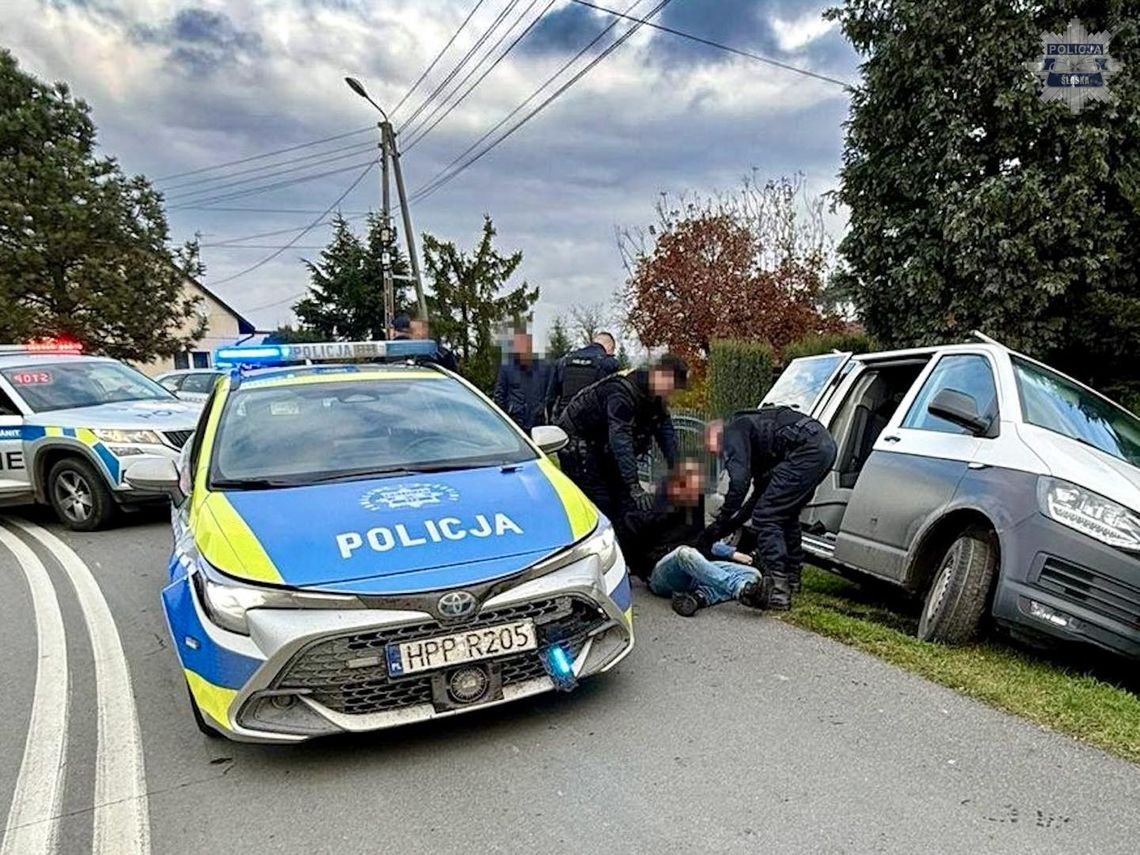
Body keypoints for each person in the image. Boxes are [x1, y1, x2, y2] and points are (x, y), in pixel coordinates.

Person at [700, 407, 837, 611]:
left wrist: (723, 517)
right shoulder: (757, 440)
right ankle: (791, 579)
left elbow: (739, 483)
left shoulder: (732, 433)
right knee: (785, 514)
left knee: (766, 517)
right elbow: (757, 496)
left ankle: (778, 591)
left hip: (808, 450)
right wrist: (722, 530)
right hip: (824, 447)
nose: (718, 455)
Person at [620, 459, 768, 617]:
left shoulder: (694, 509)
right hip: (661, 574)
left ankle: (698, 598)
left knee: (752, 574)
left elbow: (702, 542)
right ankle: (738, 590)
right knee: (684, 553)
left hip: (694, 570)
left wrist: (730, 554)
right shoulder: (649, 508)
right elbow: (630, 541)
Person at [556, 354, 686, 521]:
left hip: (602, 444)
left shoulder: (655, 398)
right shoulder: (621, 392)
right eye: (672, 388)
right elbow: (621, 438)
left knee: (625, 503)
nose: (671, 394)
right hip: (578, 441)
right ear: (662, 375)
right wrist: (634, 485)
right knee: (600, 503)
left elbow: (666, 434)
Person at [545, 331, 620, 422]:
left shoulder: (564, 361)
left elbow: (550, 398)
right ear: (609, 347)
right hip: (593, 423)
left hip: (565, 420)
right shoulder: (608, 363)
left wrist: (550, 421)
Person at [493, 329, 552, 431]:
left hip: (537, 425)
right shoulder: (507, 367)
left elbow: (550, 394)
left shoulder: (543, 368)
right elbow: (499, 395)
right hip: (515, 424)